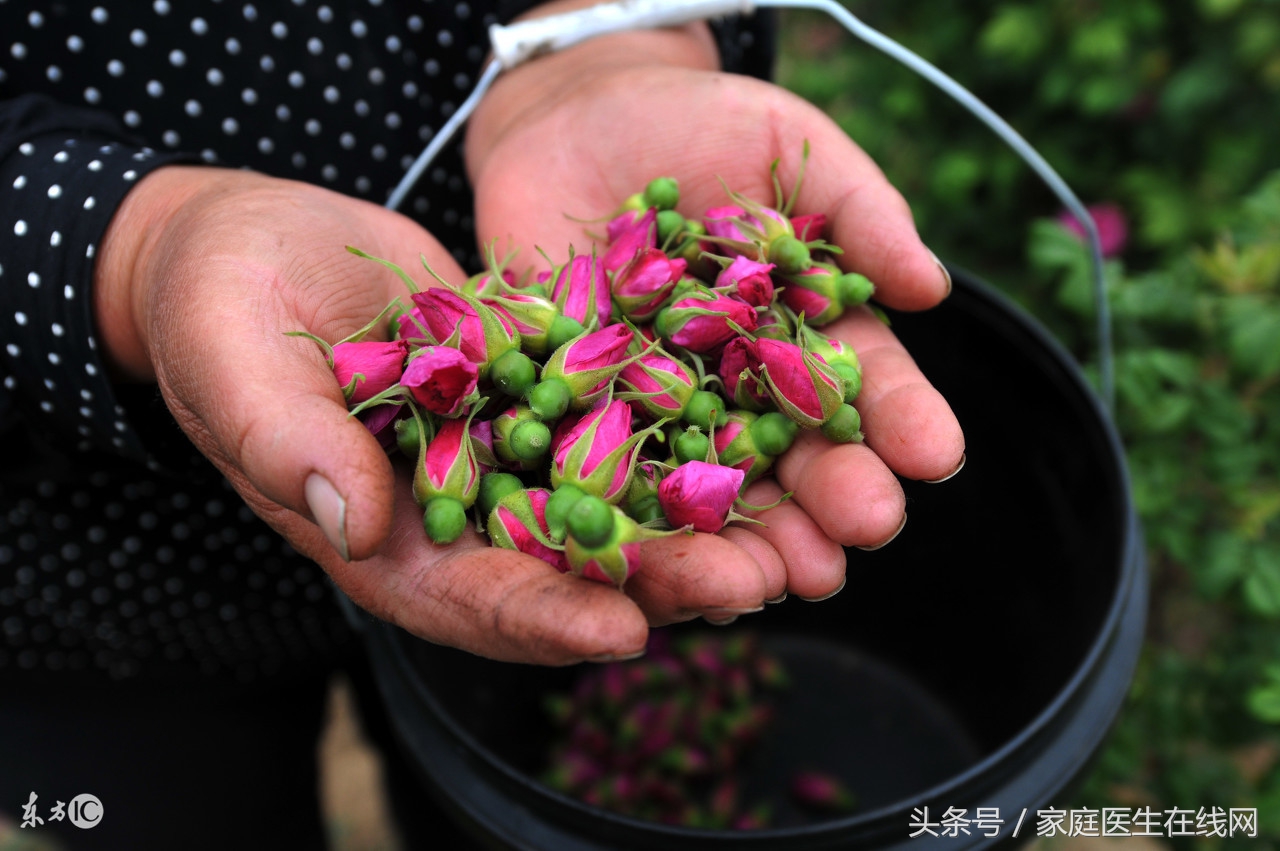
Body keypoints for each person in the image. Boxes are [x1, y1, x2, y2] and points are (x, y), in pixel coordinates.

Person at [0, 0, 965, 847]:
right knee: (167, 811)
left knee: (456, 791)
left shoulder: (568, 385)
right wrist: (130, 251)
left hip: (453, 348)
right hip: (97, 585)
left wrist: (600, 38)